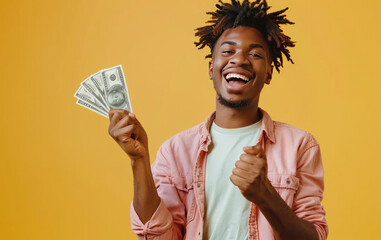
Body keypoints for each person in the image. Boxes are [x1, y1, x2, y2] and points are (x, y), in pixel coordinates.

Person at [108, 0, 328, 239]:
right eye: (227, 51)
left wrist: (266, 196)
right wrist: (139, 160)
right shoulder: (175, 151)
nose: (240, 60)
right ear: (212, 68)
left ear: (268, 73)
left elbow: (314, 236)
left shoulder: (300, 145)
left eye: (254, 54)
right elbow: (157, 236)